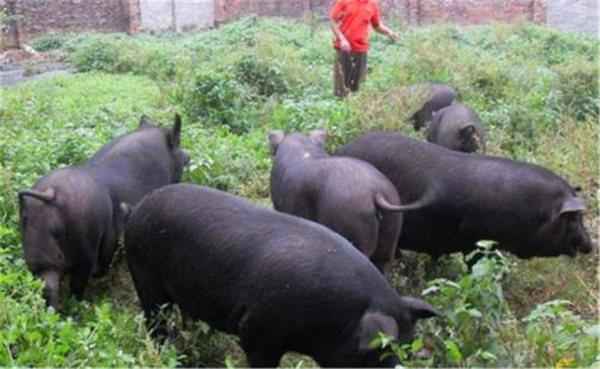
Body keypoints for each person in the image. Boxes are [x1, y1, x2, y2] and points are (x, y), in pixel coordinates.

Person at [330, 0, 399, 97]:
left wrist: (389, 32)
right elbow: (333, 21)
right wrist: (342, 39)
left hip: (361, 50)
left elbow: (377, 25)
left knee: (358, 87)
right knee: (341, 89)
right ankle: (341, 107)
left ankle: (355, 109)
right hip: (344, 49)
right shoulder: (344, 1)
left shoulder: (372, 4)